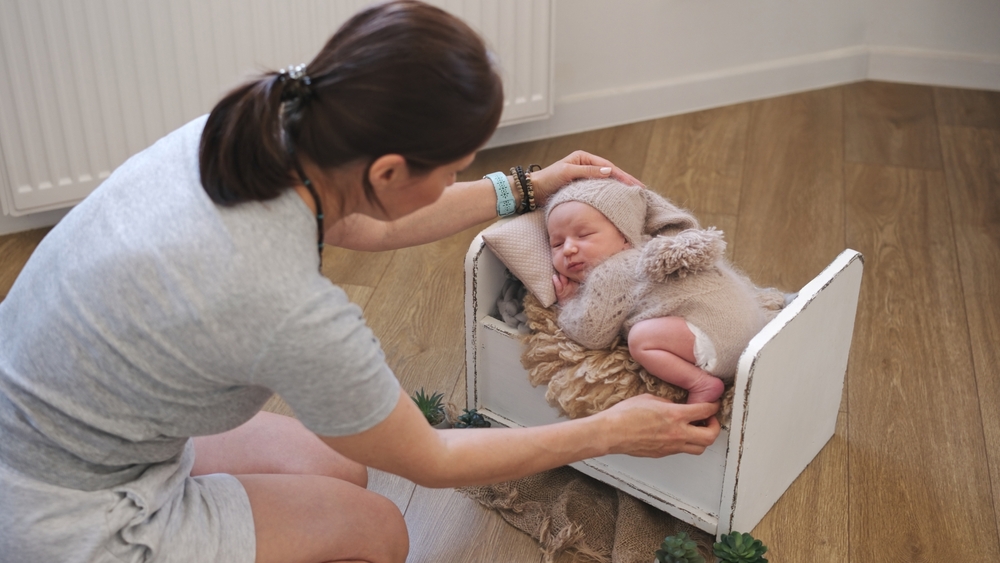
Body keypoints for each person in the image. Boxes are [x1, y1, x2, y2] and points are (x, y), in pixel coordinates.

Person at [0, 2, 721, 562]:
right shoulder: (285, 303)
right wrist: (605, 431)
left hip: (51, 427)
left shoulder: (264, 125)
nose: (460, 175)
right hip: (65, 515)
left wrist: (530, 185)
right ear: (387, 171)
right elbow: (433, 458)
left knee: (341, 468)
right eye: (454, 165)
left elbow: (359, 223)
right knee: (376, 529)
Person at [547, 178, 785, 404]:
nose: (568, 249)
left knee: (641, 339)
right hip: (753, 331)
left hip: (723, 346)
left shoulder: (611, 271)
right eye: (557, 243)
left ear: (624, 236)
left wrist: (568, 303)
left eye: (584, 235)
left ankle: (701, 384)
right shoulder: (655, 249)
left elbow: (592, 334)